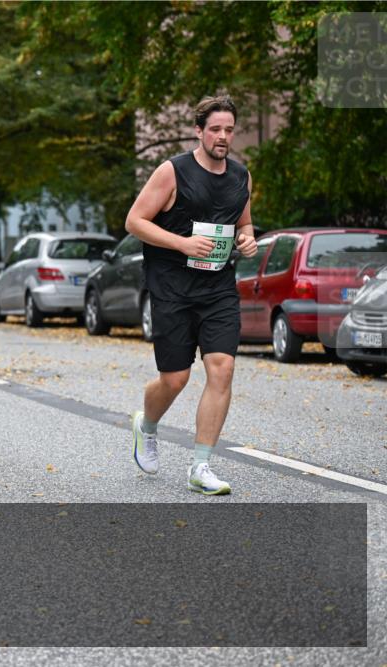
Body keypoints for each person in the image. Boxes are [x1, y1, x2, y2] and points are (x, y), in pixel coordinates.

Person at [125, 95, 258, 496]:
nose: (223, 136)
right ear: (198, 131)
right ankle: (146, 426)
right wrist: (182, 244)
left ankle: (201, 466)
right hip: (171, 288)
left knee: (222, 369)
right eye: (215, 129)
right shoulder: (172, 172)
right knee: (175, 378)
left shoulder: (241, 177)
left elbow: (245, 224)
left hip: (217, 288)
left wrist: (248, 239)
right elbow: (134, 221)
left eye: (229, 130)